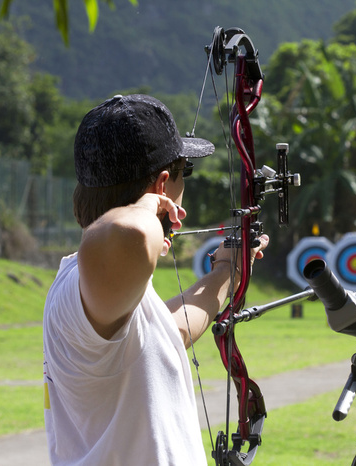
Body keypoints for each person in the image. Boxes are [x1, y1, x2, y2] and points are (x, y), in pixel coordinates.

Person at [42, 94, 269, 465]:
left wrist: (227, 271)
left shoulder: (100, 291)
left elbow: (167, 333)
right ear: (164, 184)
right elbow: (129, 233)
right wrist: (150, 205)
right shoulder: (86, 282)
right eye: (185, 172)